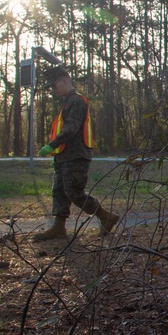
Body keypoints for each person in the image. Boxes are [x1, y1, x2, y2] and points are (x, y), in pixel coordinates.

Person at [34, 66, 120, 240]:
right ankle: (59, 228)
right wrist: (56, 151)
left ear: (65, 80)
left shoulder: (76, 101)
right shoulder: (68, 102)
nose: (53, 90)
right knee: (59, 190)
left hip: (76, 155)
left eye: (54, 85)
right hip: (64, 155)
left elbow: (71, 128)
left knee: (74, 192)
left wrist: (52, 145)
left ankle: (105, 216)